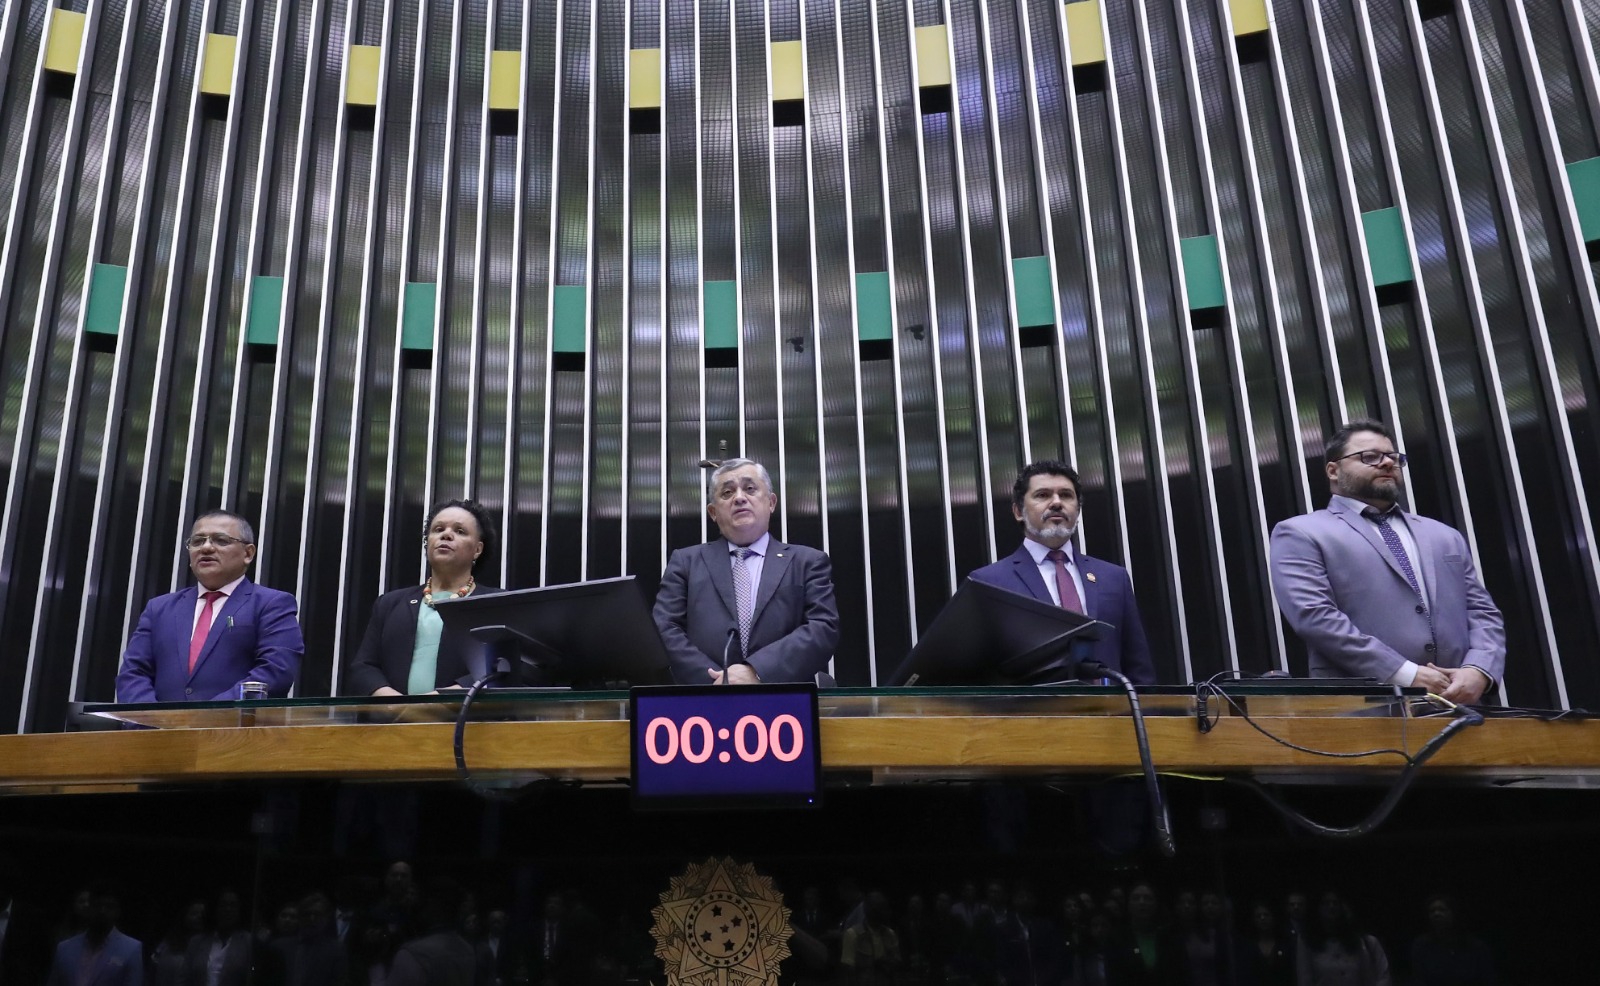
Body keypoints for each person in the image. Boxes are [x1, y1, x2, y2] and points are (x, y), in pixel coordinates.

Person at [1269, 420, 1504, 703]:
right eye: (1369, 457)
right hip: (1362, 706)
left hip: (1460, 704)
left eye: (1393, 457)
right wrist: (1404, 673)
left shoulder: (1444, 535)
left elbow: (1481, 612)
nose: (1386, 463)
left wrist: (1479, 668)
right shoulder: (1301, 533)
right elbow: (1316, 617)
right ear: (1333, 470)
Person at [652, 458, 840, 684]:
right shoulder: (686, 562)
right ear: (713, 512)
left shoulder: (807, 561)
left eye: (750, 489)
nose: (739, 497)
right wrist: (717, 680)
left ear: (771, 502)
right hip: (702, 701)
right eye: (727, 493)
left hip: (785, 701)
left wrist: (757, 671)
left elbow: (823, 628)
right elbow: (664, 629)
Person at [967, 461, 1156, 684]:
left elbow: (1138, 668)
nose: (1056, 503)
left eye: (1066, 495)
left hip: (1112, 716)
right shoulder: (989, 582)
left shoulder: (1114, 577)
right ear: (1018, 511)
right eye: (1043, 495)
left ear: (1077, 509)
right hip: (1034, 716)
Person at [116, 510, 303, 702]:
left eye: (220, 540)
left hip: (234, 729)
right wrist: (153, 723)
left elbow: (275, 672)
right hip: (159, 730)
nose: (206, 548)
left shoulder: (271, 604)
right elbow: (133, 674)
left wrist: (206, 718)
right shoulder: (159, 608)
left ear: (248, 553)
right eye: (197, 541)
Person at [345, 500, 502, 696]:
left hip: (465, 720)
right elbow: (363, 667)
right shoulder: (389, 604)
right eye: (438, 529)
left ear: (477, 550)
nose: (446, 534)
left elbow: (504, 667)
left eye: (460, 531)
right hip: (392, 721)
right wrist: (396, 705)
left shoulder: (496, 604)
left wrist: (444, 698)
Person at [46, 889, 143, 986]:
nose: (102, 911)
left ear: (118, 912)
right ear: (89, 908)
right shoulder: (64, 948)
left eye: (109, 906)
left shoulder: (131, 948)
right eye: (97, 905)